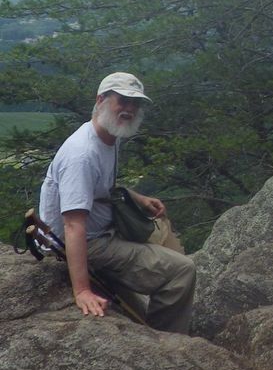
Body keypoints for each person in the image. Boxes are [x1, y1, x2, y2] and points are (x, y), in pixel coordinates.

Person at [38, 72, 195, 333]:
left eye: (136, 103)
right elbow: (73, 225)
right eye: (122, 100)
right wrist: (82, 291)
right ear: (101, 100)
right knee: (182, 271)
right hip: (90, 243)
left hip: (100, 235)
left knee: (163, 242)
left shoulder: (107, 136)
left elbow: (100, 188)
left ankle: (154, 330)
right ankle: (168, 343)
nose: (130, 109)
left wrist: (137, 197)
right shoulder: (82, 154)